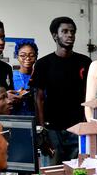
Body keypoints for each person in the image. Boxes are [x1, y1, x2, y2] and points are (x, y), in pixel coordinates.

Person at [29, 17, 91, 165]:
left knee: (78, 171)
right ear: (55, 35)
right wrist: (41, 127)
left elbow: (89, 94)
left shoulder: (85, 62)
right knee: (51, 172)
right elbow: (39, 98)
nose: (69, 35)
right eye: (64, 31)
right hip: (52, 129)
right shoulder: (43, 64)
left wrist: (87, 121)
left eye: (72, 32)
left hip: (77, 128)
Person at [12, 41, 39, 115]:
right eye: (23, 55)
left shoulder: (40, 76)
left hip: (36, 118)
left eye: (31, 55)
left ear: (36, 57)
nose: (27, 58)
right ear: (17, 57)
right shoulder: (11, 77)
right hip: (16, 118)